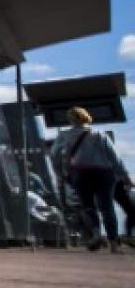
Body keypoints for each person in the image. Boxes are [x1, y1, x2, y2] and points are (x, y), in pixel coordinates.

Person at [50, 107, 131, 253]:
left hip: (80, 173)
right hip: (103, 173)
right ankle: (113, 244)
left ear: (70, 119)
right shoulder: (100, 134)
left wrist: (59, 173)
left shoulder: (65, 135)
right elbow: (114, 157)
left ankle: (96, 233)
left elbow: (54, 154)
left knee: (87, 205)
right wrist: (125, 176)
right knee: (107, 207)